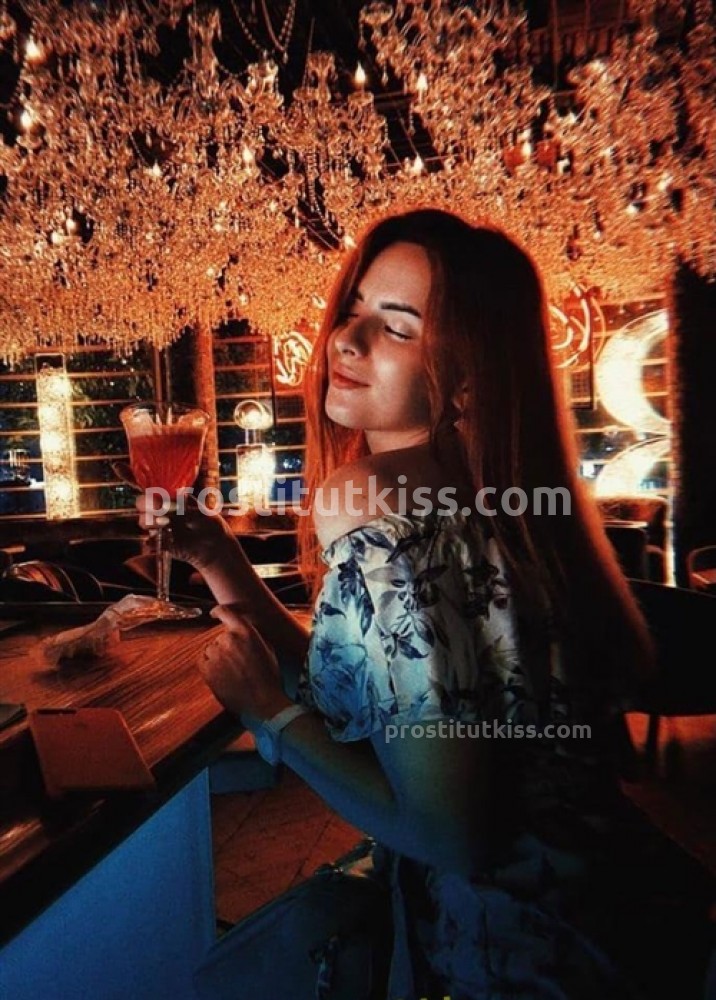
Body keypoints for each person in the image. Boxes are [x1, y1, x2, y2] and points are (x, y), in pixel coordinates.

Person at [139, 209, 714, 999]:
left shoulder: (372, 496)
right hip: (619, 917)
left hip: (529, 957)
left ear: (465, 379)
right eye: (356, 310)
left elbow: (448, 834)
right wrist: (217, 558)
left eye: (397, 327)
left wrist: (268, 715)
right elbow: (384, 693)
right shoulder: (490, 498)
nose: (346, 340)